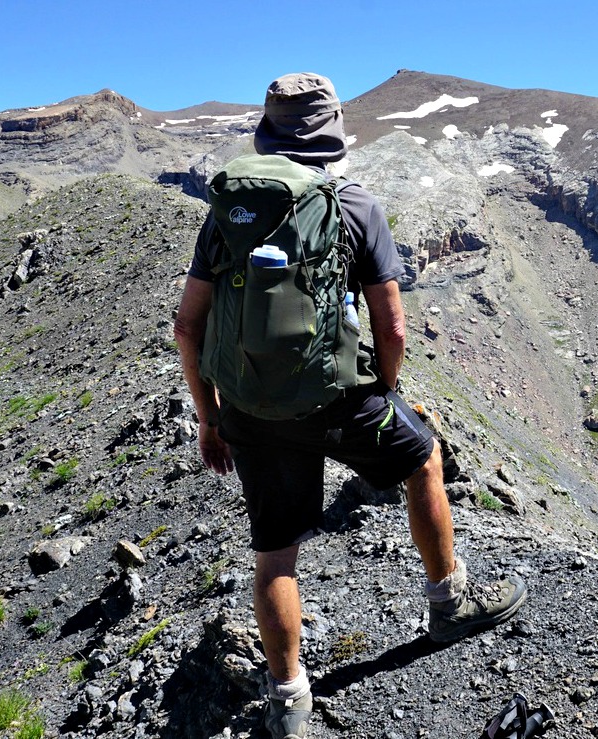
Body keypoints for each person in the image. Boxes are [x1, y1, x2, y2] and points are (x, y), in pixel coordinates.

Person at [174, 72, 528, 739]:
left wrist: (211, 417)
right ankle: (447, 603)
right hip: (337, 400)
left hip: (248, 408)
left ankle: (286, 701)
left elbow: (186, 326)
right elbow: (390, 327)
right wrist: (385, 393)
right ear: (329, 129)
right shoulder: (352, 203)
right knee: (422, 457)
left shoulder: (228, 211)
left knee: (275, 553)